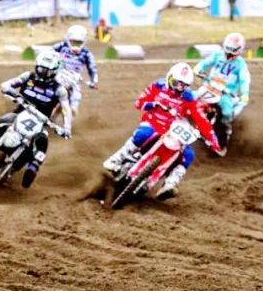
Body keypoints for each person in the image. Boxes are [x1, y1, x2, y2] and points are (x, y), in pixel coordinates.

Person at [102, 62, 221, 199]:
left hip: (172, 131)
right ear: (169, 77)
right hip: (152, 123)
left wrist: (213, 139)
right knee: (143, 134)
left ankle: (170, 183)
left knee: (189, 154)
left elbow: (200, 119)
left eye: (183, 86)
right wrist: (152, 104)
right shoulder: (158, 86)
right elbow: (139, 102)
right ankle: (116, 159)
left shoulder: (188, 98)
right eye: (176, 83)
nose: (178, 88)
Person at [0, 50, 73, 188]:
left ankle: (32, 168)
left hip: (40, 122)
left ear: (54, 72)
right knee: (4, 120)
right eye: (41, 69)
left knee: (42, 142)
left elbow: (66, 109)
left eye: (47, 71)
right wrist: (8, 89)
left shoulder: (59, 90)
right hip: (19, 113)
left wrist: (67, 127)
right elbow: (8, 84)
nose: (43, 73)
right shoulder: (28, 77)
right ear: (36, 66)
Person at [193, 32, 251, 154]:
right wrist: (198, 68)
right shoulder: (217, 55)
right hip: (209, 86)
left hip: (226, 93)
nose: (229, 55)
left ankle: (223, 141)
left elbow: (244, 80)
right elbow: (205, 62)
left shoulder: (241, 64)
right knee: (192, 97)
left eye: (233, 52)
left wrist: (245, 94)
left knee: (226, 112)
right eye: (228, 51)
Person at [50, 24, 98, 112]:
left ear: (84, 41)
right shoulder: (61, 46)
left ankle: (73, 109)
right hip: (58, 74)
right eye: (73, 42)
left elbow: (92, 67)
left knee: (77, 92)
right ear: (68, 39)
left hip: (74, 78)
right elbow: (48, 53)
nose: (75, 45)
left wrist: (94, 81)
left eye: (78, 42)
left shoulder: (86, 53)